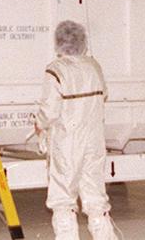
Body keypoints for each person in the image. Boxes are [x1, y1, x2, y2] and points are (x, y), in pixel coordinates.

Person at [34, 20, 114, 240]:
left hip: (67, 141)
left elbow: (49, 111)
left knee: (63, 197)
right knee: (95, 193)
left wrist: (39, 124)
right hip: (94, 138)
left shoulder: (55, 70)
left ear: (58, 44)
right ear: (83, 43)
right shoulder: (94, 66)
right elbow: (104, 94)